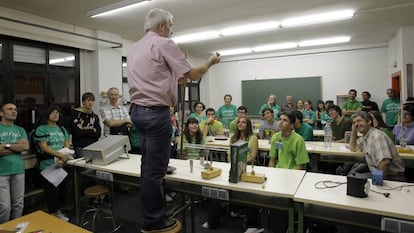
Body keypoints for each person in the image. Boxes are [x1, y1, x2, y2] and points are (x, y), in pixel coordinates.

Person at [127, 8, 220, 232]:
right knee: (155, 171)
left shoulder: (134, 48)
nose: (172, 30)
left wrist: (177, 70)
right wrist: (209, 62)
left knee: (147, 165)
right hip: (156, 113)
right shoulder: (164, 44)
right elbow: (194, 75)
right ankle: (154, 220)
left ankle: (149, 213)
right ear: (161, 26)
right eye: (170, 25)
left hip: (137, 112)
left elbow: (161, 77)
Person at [268, 111, 309, 233]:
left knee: (286, 205)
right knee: (275, 206)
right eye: (280, 119)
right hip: (278, 175)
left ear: (292, 125)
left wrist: (292, 183)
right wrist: (271, 175)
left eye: (285, 120)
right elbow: (272, 160)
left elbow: (300, 166)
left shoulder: (298, 140)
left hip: (293, 175)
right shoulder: (276, 137)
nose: (280, 122)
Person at [33, 106, 72, 221]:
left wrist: (63, 157)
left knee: (63, 191)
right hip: (47, 166)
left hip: (61, 164)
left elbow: (67, 144)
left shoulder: (62, 128)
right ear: (47, 115)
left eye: (57, 113)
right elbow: (44, 147)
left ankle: (58, 211)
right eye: (52, 113)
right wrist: (59, 155)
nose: (56, 115)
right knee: (52, 192)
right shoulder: (41, 129)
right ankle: (54, 213)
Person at [349, 111, 405, 181]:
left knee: (353, 180)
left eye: (359, 121)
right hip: (377, 172)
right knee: (351, 177)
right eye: (354, 123)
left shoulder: (377, 136)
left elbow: (385, 162)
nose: (356, 124)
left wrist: (376, 182)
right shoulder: (366, 136)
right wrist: (354, 131)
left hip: (391, 177)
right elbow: (353, 148)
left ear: (369, 122)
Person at [230, 116, 262, 233]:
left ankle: (254, 224)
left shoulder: (253, 138)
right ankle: (236, 209)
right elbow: (230, 154)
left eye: (243, 122)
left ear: (247, 125)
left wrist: (240, 163)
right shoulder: (233, 138)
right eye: (239, 122)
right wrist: (234, 164)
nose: (240, 124)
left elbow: (253, 156)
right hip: (235, 168)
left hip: (249, 169)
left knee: (249, 194)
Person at [0, 103, 29, 224]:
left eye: (15, 109)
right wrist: (17, 146)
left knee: (18, 205)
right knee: (5, 207)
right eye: (10, 109)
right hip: (1, 173)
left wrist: (6, 145)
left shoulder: (20, 130)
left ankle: (15, 229)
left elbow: (25, 146)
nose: (14, 111)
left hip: (18, 170)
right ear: (1, 113)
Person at [70, 92, 101, 157]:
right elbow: (77, 132)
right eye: (88, 100)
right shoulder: (75, 114)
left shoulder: (95, 116)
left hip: (94, 147)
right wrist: (92, 130)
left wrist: (83, 129)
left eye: (92, 101)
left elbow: (98, 134)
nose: (90, 103)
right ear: (83, 102)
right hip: (81, 147)